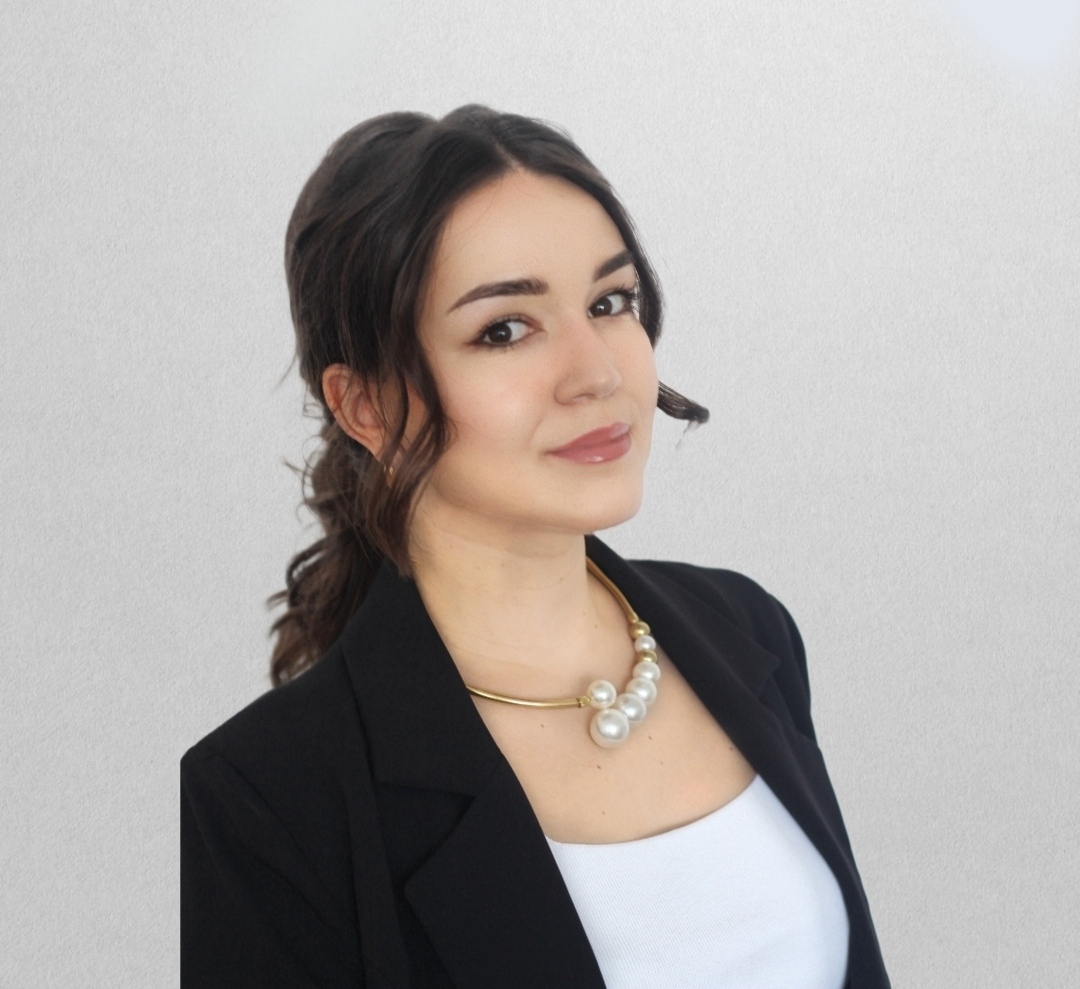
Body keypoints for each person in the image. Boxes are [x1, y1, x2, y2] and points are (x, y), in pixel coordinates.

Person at [180, 105, 891, 988]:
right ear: (367, 406)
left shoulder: (747, 630)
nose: (598, 371)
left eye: (609, 302)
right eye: (505, 329)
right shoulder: (271, 797)